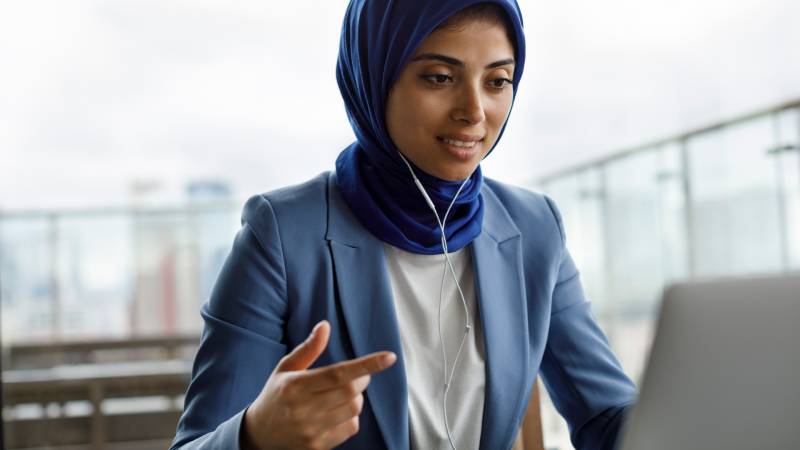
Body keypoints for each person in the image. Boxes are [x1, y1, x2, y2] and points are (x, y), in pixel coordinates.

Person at [170, 1, 637, 449]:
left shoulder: (535, 228)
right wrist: (255, 436)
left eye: (497, 81)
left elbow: (606, 415)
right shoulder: (281, 235)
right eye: (439, 77)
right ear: (375, 79)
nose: (474, 111)